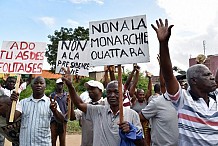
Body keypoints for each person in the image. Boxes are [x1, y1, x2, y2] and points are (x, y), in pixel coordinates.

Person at [152, 18, 218, 145]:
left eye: (211, 74)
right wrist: (163, 44)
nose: (212, 77)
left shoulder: (216, 95)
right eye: (207, 75)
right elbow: (168, 76)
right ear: (194, 81)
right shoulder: (183, 100)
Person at [61, 67, 144, 146]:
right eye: (109, 92)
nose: (112, 95)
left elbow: (142, 143)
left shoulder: (132, 115)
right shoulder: (97, 110)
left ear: (123, 95)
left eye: (116, 92)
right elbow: (79, 104)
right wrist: (70, 86)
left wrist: (131, 132)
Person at [11, 76, 65, 146]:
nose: (38, 85)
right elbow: (11, 119)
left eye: (41, 83)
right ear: (31, 86)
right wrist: (12, 103)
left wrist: (54, 111)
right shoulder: (23, 103)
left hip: (43, 144)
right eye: (36, 83)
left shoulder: (50, 103)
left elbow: (62, 120)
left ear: (45, 86)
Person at [73, 80, 106, 146]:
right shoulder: (85, 105)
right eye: (89, 89)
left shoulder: (106, 104)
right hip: (87, 143)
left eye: (93, 88)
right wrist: (71, 102)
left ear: (100, 90)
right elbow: (72, 117)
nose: (90, 91)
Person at [50, 78, 68, 146]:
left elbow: (69, 107)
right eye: (58, 84)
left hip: (63, 120)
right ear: (56, 85)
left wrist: (65, 115)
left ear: (63, 85)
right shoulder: (52, 95)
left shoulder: (66, 95)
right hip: (54, 120)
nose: (60, 85)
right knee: (53, 140)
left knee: (62, 140)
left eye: (61, 84)